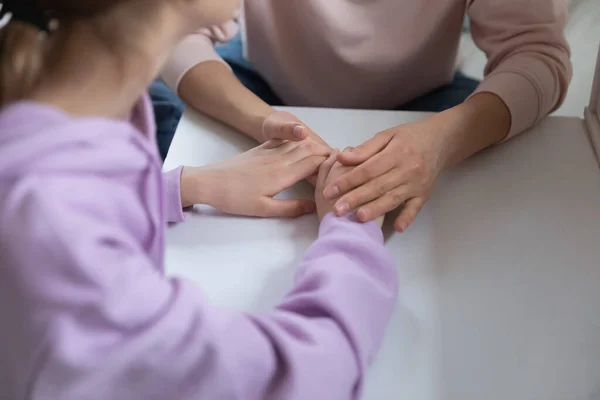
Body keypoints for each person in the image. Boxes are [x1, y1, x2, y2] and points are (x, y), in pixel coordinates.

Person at [0, 1, 397, 399]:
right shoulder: (53, 229)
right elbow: (306, 375)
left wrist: (184, 186)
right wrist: (350, 223)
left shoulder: (64, 112)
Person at [161, 0, 573, 232]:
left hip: (428, 98)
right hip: (261, 82)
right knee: (154, 104)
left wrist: (445, 139)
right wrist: (263, 121)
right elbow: (167, 30)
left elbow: (536, 53)